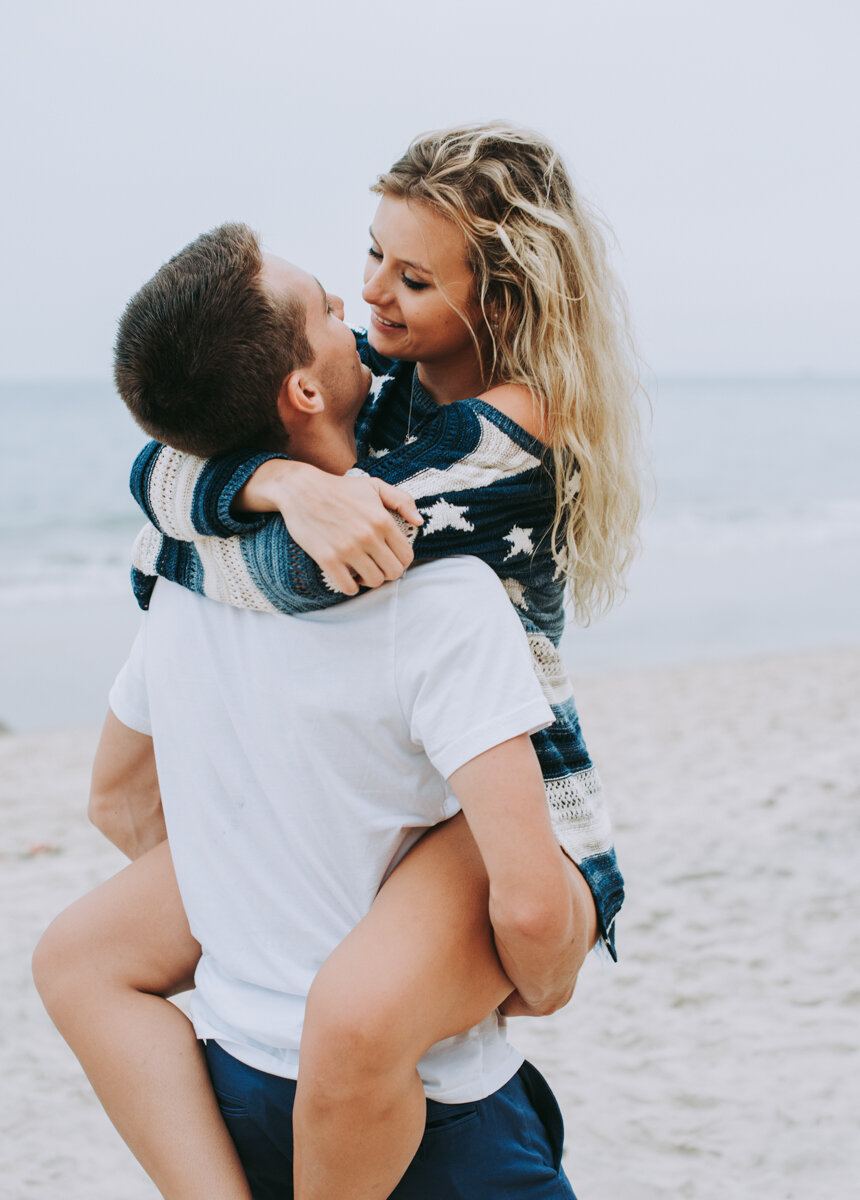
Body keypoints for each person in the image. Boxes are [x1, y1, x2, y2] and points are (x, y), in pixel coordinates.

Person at [36, 120, 644, 1198]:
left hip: (523, 808)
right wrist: (279, 484)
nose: (370, 294)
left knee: (357, 1018)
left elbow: (299, 575)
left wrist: (189, 540)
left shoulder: (506, 432)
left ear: (495, 304)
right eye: (368, 255)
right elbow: (186, 439)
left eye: (411, 277)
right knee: (78, 957)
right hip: (409, 763)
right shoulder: (387, 369)